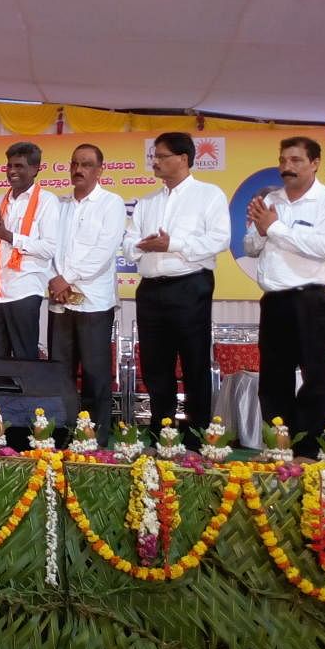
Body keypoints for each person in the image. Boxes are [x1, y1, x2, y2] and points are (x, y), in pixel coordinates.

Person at [244, 136, 325, 457]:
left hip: (310, 300)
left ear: (315, 163)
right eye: (283, 160)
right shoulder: (270, 198)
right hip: (274, 301)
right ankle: (278, 445)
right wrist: (261, 231)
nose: (286, 167)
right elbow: (249, 247)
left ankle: (307, 449)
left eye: (295, 160)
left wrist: (274, 228)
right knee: (273, 379)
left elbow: (323, 248)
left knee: (315, 377)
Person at [124, 132, 230, 444]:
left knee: (195, 363)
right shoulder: (147, 202)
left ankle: (198, 439)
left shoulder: (209, 195)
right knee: (156, 367)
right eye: (153, 156)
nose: (154, 162)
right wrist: (142, 245)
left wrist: (173, 244)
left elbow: (219, 239)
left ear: (183, 159)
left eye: (161, 156)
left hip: (190, 287)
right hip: (151, 290)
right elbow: (129, 242)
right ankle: (163, 436)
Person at [48, 144, 126, 445]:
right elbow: (48, 250)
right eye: (75, 163)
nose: (79, 170)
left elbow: (103, 251)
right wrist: (55, 280)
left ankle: (97, 438)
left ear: (100, 170)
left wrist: (66, 279)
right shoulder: (60, 206)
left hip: (93, 302)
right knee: (60, 373)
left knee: (95, 374)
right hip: (60, 303)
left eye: (87, 164)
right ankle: (63, 435)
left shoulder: (112, 203)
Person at [0, 142, 60, 360]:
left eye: (19, 166)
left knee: (24, 359)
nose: (12, 171)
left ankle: (26, 397)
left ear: (35, 169)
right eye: (9, 165)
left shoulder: (47, 201)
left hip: (25, 289)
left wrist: (9, 236)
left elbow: (49, 247)